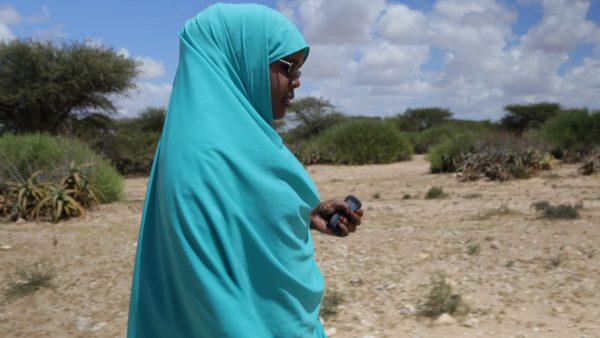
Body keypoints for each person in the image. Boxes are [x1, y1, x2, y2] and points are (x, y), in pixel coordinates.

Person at [127, 3, 363, 337]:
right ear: (242, 59)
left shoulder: (238, 142)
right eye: (288, 67)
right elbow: (214, 293)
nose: (296, 82)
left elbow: (239, 223)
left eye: (299, 70)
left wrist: (306, 217)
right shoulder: (203, 158)